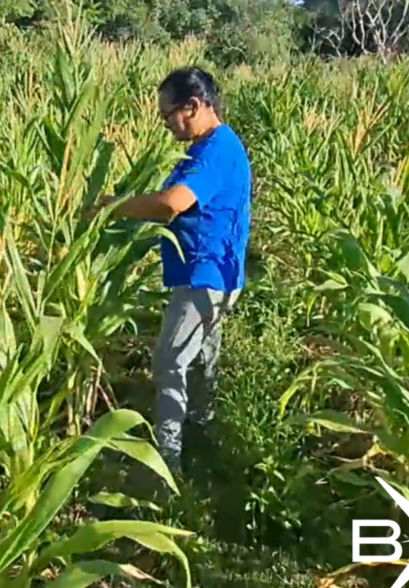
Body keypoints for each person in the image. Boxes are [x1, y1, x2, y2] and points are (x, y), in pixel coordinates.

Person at [90, 66, 252, 474]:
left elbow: (172, 203)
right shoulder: (205, 148)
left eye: (168, 115)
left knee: (169, 361)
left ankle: (168, 462)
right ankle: (202, 431)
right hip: (207, 272)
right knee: (199, 359)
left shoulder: (216, 149)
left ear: (194, 106)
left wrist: (110, 209)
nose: (166, 125)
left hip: (205, 275)